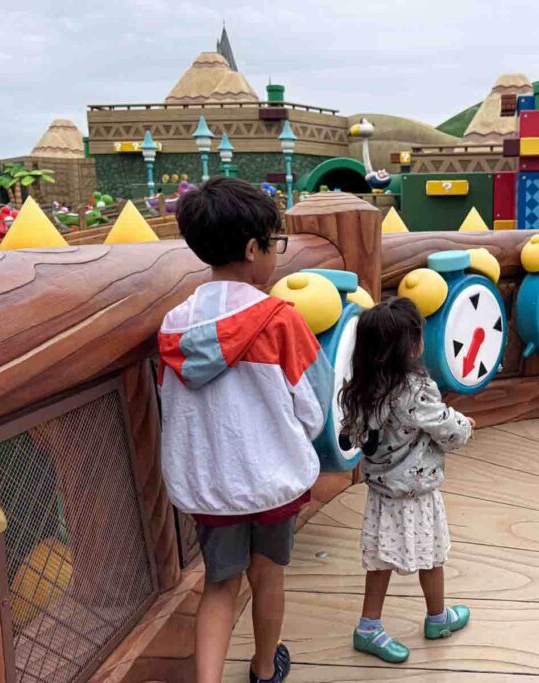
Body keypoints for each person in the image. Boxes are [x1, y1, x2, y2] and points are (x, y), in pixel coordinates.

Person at [157, 178, 332, 683]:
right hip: (271, 481)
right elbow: (314, 410)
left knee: (219, 585)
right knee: (267, 574)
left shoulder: (173, 325)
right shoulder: (281, 320)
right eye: (275, 242)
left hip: (210, 487)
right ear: (253, 249)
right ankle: (262, 669)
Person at [338, 297, 475, 664]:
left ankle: (369, 626)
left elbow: (350, 435)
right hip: (416, 492)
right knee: (432, 556)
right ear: (410, 346)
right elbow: (446, 426)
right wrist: (465, 426)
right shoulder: (414, 389)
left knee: (379, 562)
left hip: (382, 494)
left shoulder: (362, 388)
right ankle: (437, 618)